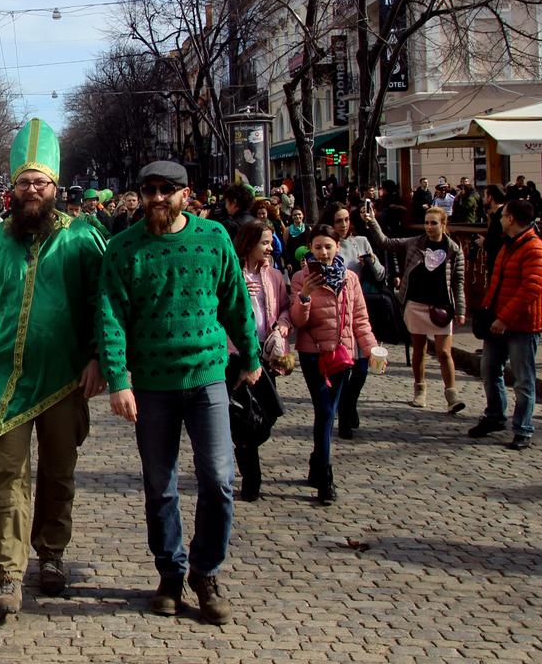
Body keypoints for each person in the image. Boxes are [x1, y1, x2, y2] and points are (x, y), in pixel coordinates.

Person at [0, 119, 107, 616]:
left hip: (65, 379)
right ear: (11, 188)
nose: (32, 190)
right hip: (5, 381)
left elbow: (105, 304)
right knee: (6, 476)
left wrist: (99, 359)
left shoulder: (84, 239)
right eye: (23, 183)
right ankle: (7, 572)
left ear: (55, 187)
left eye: (41, 182)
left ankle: (51, 556)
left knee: (58, 474)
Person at [95, 160, 258, 626]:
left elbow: (234, 299)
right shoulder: (124, 248)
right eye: (150, 190)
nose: (159, 198)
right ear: (141, 195)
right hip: (151, 385)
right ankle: (169, 573)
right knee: (160, 487)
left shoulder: (214, 239)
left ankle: (205, 573)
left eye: (168, 189)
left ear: (187, 194)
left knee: (219, 482)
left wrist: (251, 355)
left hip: (207, 377)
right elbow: (110, 317)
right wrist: (119, 380)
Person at [290, 225, 378, 506]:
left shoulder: (350, 279)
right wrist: (304, 295)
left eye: (328, 246)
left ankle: (318, 461)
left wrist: (371, 349)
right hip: (313, 353)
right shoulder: (300, 278)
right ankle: (326, 477)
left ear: (337, 247)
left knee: (327, 413)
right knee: (325, 409)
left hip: (342, 353)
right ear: (310, 250)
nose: (323, 252)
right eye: (317, 247)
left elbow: (360, 318)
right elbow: (297, 322)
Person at [360, 202, 466, 412]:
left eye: (433, 223)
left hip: (441, 306)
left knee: (444, 352)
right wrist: (372, 221)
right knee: (419, 349)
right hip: (416, 303)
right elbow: (386, 242)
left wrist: (461, 310)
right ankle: (420, 390)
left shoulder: (453, 249)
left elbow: (458, 281)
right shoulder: (415, 243)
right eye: (426, 223)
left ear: (443, 224)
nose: (429, 227)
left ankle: (452, 394)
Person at [467, 198, 542, 450]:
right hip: (498, 321)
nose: (500, 219)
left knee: (523, 378)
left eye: (503, 215)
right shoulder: (509, 245)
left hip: (522, 325)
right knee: (490, 370)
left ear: (511, 218)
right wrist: (489, 312)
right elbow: (497, 282)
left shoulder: (535, 249)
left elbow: (529, 290)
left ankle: (523, 428)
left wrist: (504, 318)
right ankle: (495, 416)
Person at [229, 221, 291, 502]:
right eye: (264, 242)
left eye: (271, 242)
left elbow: (287, 309)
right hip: (236, 356)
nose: (269, 248)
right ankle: (251, 477)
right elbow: (220, 310)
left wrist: (283, 325)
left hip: (266, 355)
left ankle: (246, 454)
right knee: (244, 417)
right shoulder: (232, 273)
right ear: (249, 242)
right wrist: (240, 291)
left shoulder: (275, 276)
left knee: (267, 414)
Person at [318, 202, 387, 436]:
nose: (344, 225)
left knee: (361, 369)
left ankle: (349, 405)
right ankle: (345, 417)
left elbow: (380, 275)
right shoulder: (324, 246)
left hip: (360, 307)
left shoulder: (361, 242)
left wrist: (372, 261)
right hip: (335, 315)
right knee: (342, 370)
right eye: (339, 220)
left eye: (347, 220)